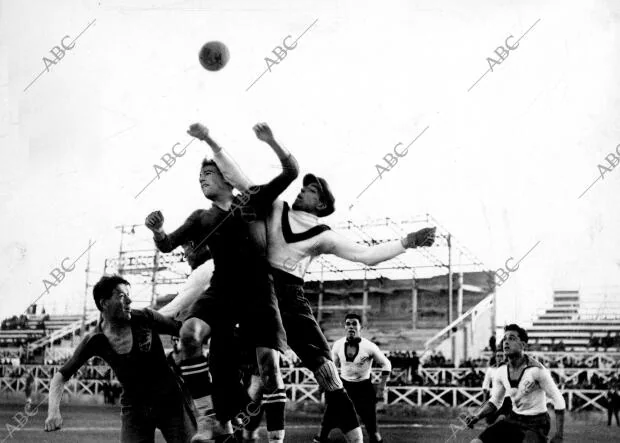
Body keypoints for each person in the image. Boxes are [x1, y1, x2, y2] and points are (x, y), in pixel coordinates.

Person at [210, 136, 436, 443]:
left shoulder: (324, 234)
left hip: (291, 297)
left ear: (322, 204)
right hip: (261, 294)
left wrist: (407, 241)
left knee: (328, 373)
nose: (303, 190)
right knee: (258, 376)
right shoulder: (276, 207)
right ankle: (243, 433)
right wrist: (212, 143)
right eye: (304, 186)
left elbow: (365, 256)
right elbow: (241, 180)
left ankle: (355, 439)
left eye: (311, 189)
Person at [146, 122, 298, 443]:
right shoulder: (200, 217)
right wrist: (158, 231)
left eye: (208, 175)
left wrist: (271, 140)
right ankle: (206, 420)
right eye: (199, 178)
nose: (202, 180)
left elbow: (291, 170)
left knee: (268, 367)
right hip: (223, 290)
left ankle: (275, 439)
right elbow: (166, 244)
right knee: (190, 335)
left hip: (258, 291)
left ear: (227, 178)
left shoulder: (253, 200)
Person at [44, 275, 196, 442]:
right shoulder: (95, 340)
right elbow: (60, 376)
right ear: (104, 303)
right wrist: (53, 412)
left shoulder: (146, 317)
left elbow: (186, 330)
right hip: (135, 407)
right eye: (122, 296)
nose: (130, 301)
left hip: (170, 399)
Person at [464, 324, 565, 443]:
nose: (506, 342)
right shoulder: (501, 371)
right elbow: (495, 401)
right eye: (505, 338)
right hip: (514, 418)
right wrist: (477, 416)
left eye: (512, 338)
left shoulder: (537, 370)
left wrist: (559, 435)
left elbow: (559, 399)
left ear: (523, 345)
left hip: (537, 422)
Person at [316, 313, 392, 443]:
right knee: (326, 424)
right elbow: (332, 366)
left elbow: (387, 364)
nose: (351, 327)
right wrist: (322, 384)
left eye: (354, 324)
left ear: (361, 326)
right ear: (344, 326)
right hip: (343, 387)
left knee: (372, 429)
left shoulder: (369, 346)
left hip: (364, 388)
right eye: (348, 324)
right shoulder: (338, 345)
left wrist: (381, 388)